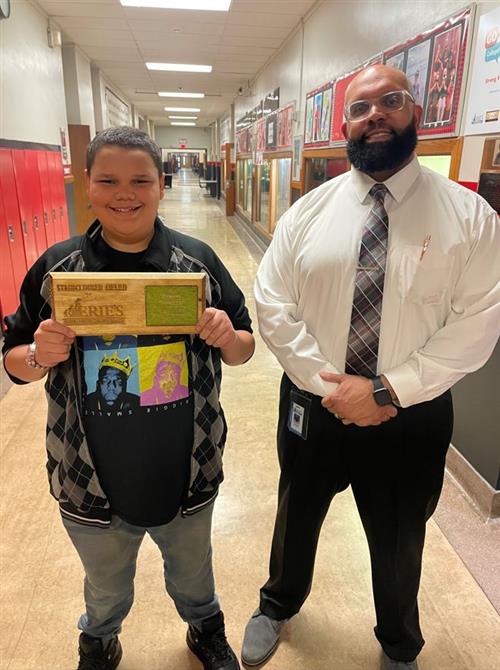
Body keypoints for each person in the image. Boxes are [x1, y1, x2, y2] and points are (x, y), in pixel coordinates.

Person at [242, 64, 499, 670]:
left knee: (401, 536)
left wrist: (387, 392)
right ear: (344, 125)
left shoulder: (471, 219)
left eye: (391, 101)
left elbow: (478, 324)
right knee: (294, 512)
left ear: (416, 113)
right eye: (361, 107)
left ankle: (399, 644)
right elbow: (271, 302)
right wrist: (331, 387)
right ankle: (277, 604)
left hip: (411, 415)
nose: (376, 114)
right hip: (315, 401)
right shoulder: (307, 213)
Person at [2, 126, 255, 670]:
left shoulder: (196, 262)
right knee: (105, 582)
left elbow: (244, 347)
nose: (125, 193)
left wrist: (226, 337)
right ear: (86, 185)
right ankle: (100, 638)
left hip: (187, 466)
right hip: (88, 474)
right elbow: (14, 362)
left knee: (193, 570)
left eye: (140, 179)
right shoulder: (57, 269)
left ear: (162, 185)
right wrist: (40, 353)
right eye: (108, 180)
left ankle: (204, 628)